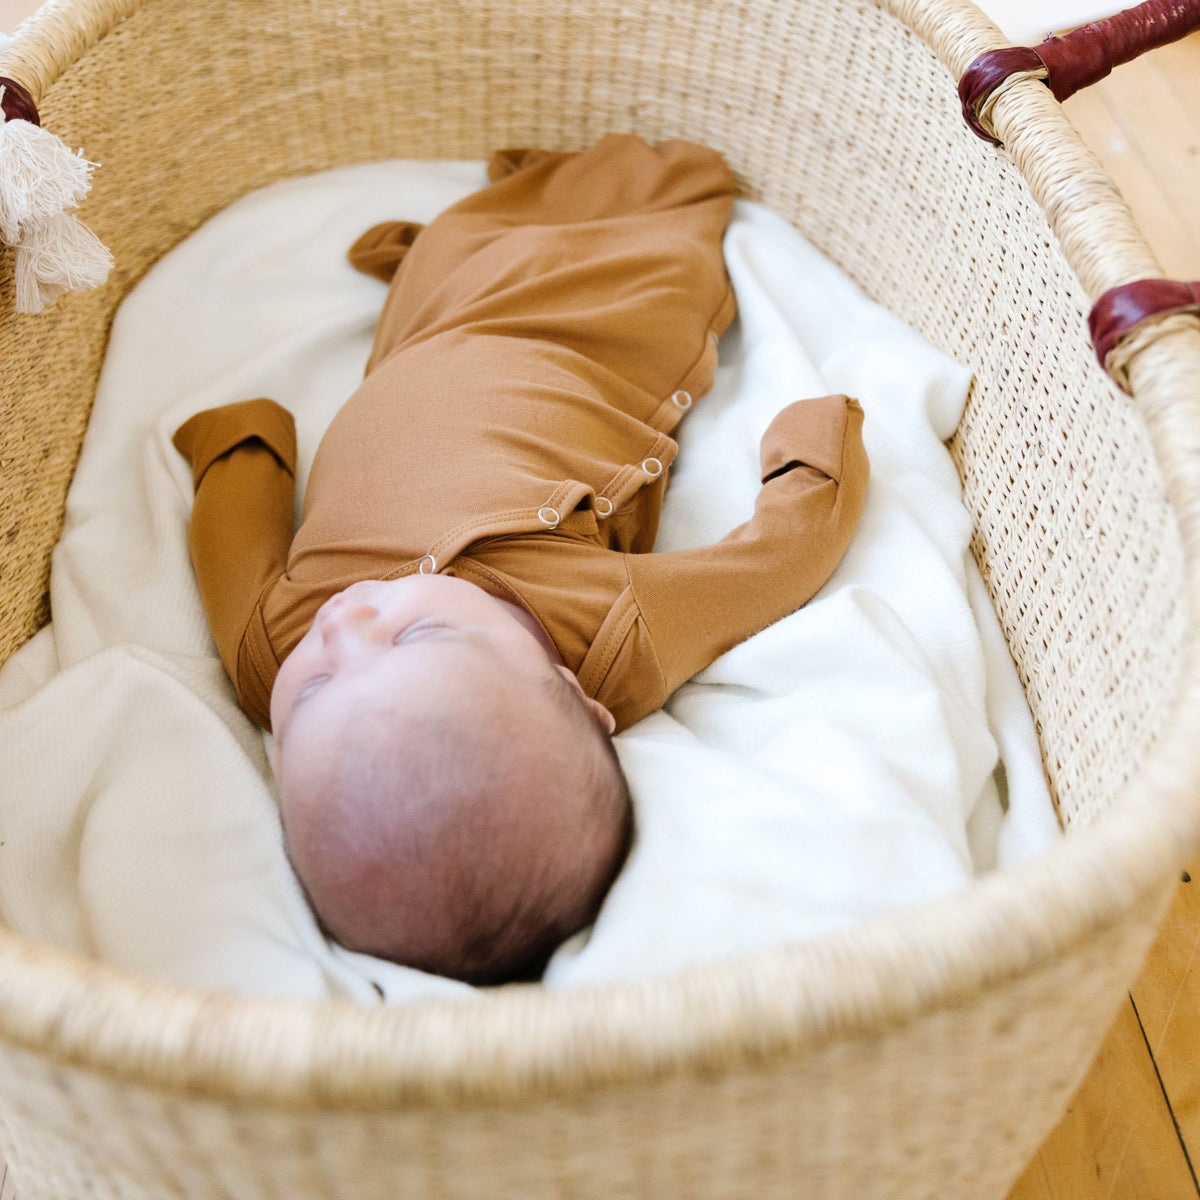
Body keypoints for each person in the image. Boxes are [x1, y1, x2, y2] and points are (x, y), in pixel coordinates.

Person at [172, 134, 869, 985]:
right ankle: (554, 202)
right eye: (417, 637)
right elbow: (768, 570)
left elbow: (232, 537)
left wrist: (237, 445)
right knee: (659, 220)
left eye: (313, 691)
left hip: (425, 338)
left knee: (457, 249)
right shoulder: (613, 632)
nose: (347, 622)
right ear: (577, 694)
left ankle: (464, 237)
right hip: (590, 339)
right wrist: (813, 457)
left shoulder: (268, 648)